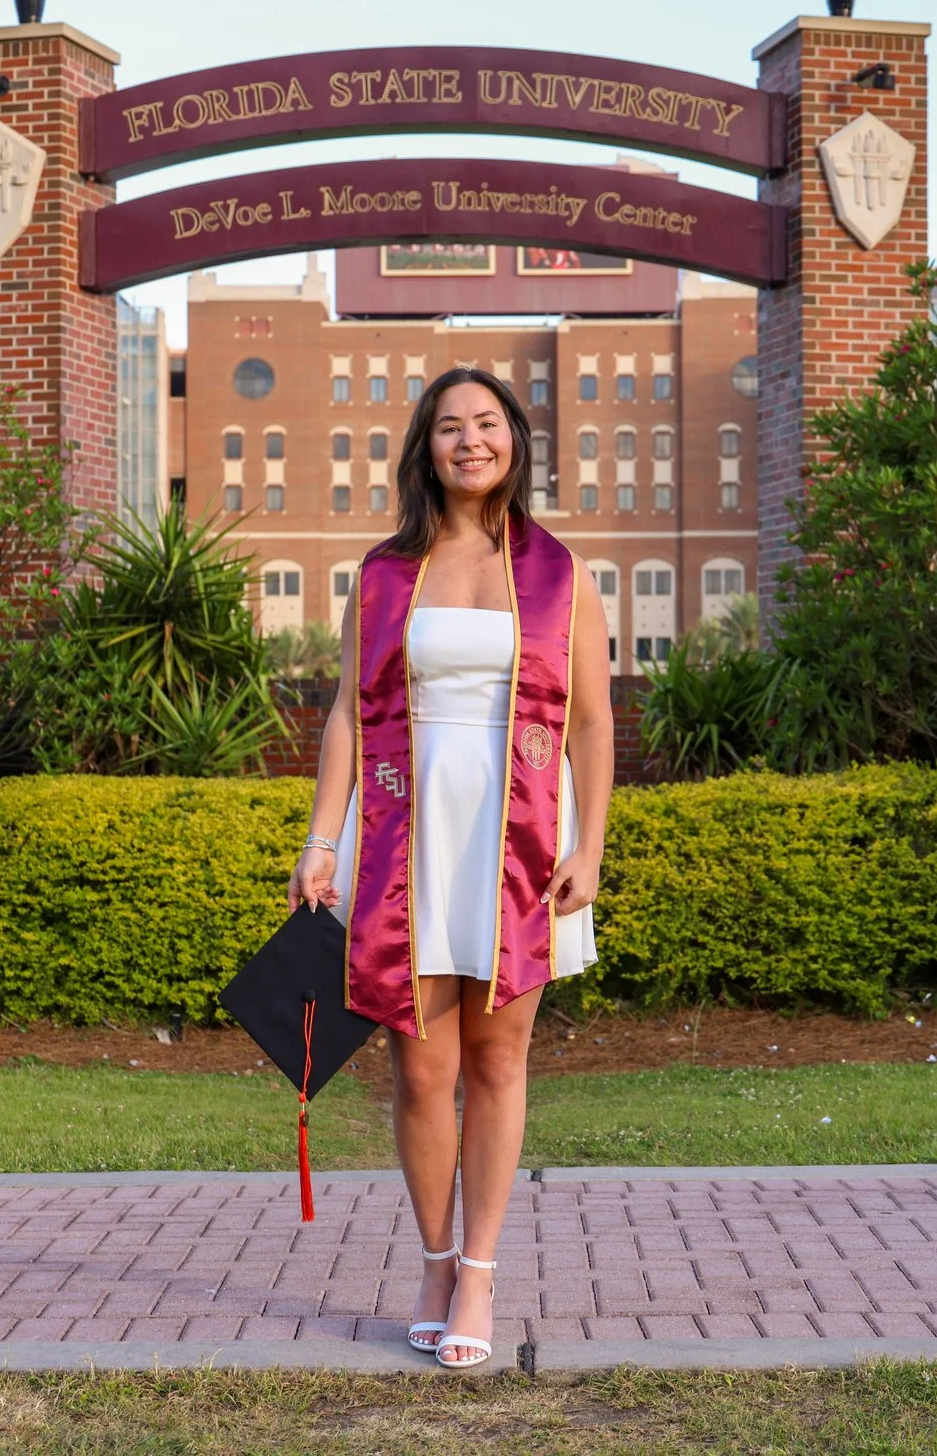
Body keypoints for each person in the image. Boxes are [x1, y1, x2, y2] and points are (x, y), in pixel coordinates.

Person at [288, 366, 613, 1372]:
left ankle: (479, 1266)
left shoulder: (561, 571)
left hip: (518, 834)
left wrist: (590, 844)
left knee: (498, 1058)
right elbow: (349, 707)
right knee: (420, 1065)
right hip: (406, 835)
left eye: (486, 424)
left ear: (514, 438)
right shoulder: (387, 571)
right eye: (447, 428)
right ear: (424, 449)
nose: (469, 442)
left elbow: (596, 722)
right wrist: (322, 835)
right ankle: (433, 1258)